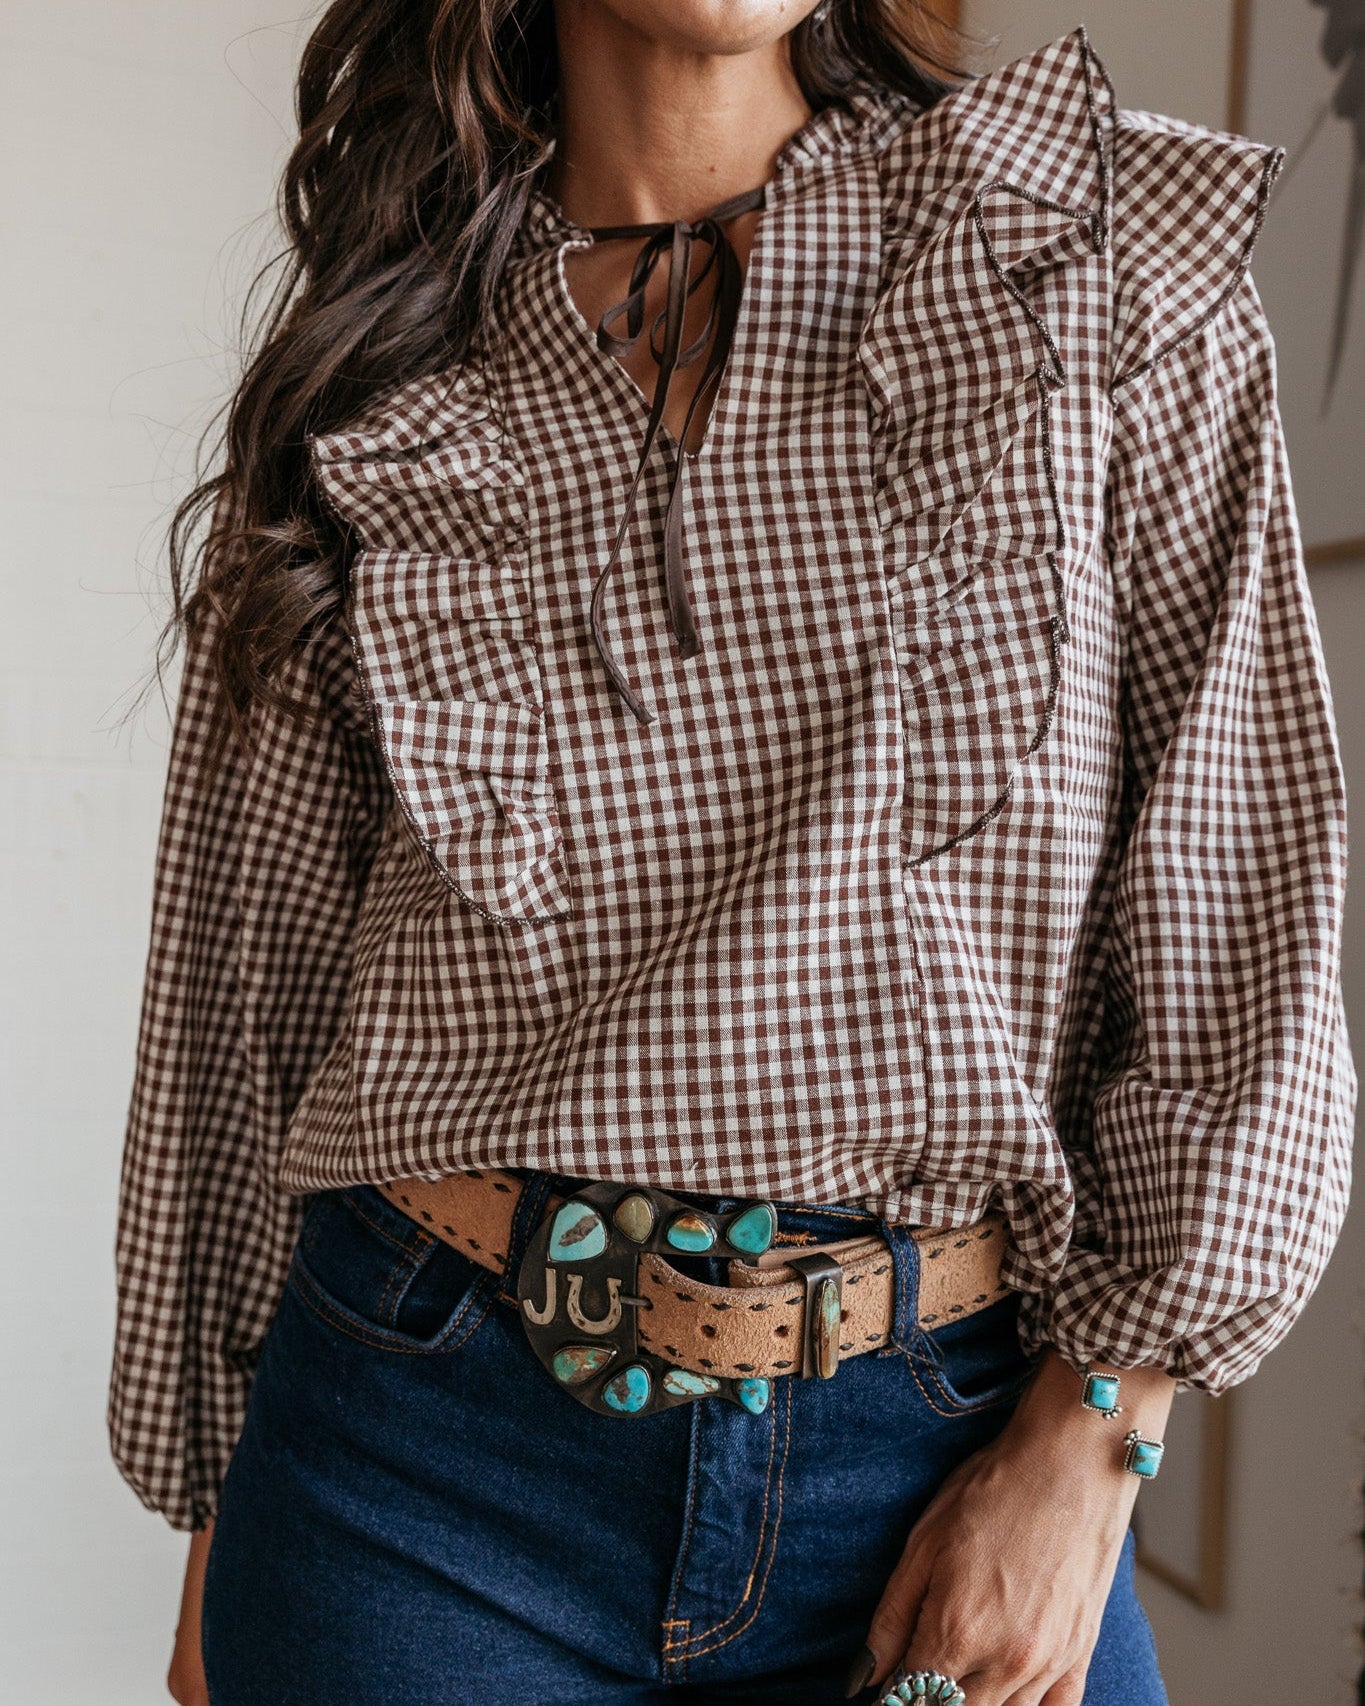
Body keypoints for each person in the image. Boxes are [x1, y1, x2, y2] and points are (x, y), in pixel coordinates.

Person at [107, 3, 1355, 1704]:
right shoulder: (386, 360)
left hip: (941, 1456)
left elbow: (1243, 915)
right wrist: (215, 1517)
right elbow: (247, 978)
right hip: (411, 1471)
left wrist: (1090, 1447)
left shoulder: (1083, 266)